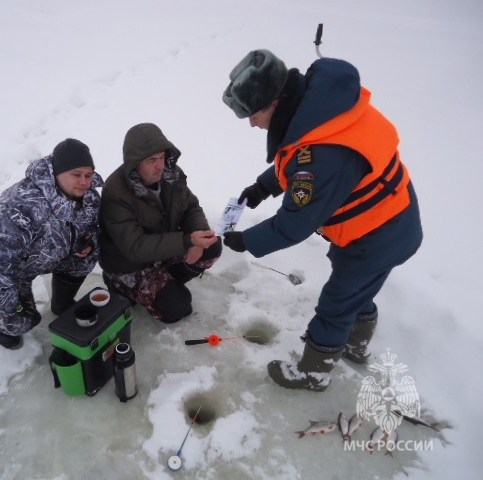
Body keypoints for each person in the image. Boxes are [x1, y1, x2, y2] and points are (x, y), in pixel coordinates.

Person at [221, 50, 422, 391]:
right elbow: (301, 153)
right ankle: (355, 345)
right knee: (356, 287)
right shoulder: (321, 109)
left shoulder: (321, 158)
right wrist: (263, 186)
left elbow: (294, 223)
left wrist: (247, 240)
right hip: (388, 220)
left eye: (252, 114)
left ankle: (313, 372)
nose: (252, 123)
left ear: (276, 102)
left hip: (376, 237)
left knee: (336, 303)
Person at [0, 139, 102, 349]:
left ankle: (62, 303)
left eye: (88, 175)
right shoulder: (21, 204)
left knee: (90, 256)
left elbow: (91, 227)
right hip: (10, 268)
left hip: (48, 253)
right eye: (76, 175)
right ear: (57, 172)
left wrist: (86, 244)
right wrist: (8, 309)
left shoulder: (89, 196)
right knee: (20, 322)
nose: (84, 182)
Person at [99, 123, 222, 324]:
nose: (160, 166)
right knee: (178, 307)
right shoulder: (116, 192)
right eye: (152, 160)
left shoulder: (171, 175)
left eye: (163, 157)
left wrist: (198, 235)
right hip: (130, 265)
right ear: (135, 163)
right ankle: (119, 285)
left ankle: (165, 281)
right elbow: (135, 247)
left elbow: (190, 207)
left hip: (163, 252)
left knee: (212, 245)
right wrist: (186, 242)